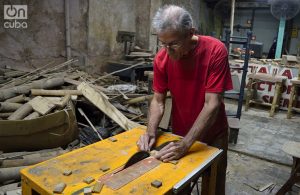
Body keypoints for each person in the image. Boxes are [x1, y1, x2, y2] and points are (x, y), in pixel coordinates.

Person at [137, 5, 233, 195]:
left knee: (213, 187)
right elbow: (158, 100)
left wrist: (185, 145)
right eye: (162, 43)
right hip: (180, 132)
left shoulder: (215, 50)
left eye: (173, 44)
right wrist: (150, 131)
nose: (166, 50)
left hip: (214, 134)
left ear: (191, 33)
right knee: (179, 185)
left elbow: (212, 104)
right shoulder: (162, 58)